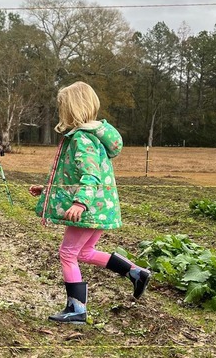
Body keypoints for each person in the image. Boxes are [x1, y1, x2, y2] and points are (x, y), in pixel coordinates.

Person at [29, 81, 151, 324]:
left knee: (67, 254)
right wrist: (48, 190)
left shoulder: (82, 138)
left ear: (72, 109)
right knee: (85, 252)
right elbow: (75, 175)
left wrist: (80, 204)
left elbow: (90, 175)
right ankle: (136, 272)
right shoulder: (95, 135)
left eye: (62, 107)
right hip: (101, 208)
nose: (60, 112)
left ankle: (77, 309)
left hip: (88, 208)